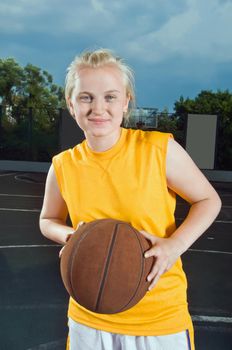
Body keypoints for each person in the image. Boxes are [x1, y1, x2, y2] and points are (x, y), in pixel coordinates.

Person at [39, 48, 222, 350]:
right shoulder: (63, 165)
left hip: (158, 317)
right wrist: (71, 236)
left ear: (126, 102)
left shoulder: (158, 150)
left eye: (110, 97)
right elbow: (48, 220)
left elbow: (208, 200)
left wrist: (174, 246)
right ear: (71, 105)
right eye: (86, 97)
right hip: (89, 315)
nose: (98, 108)